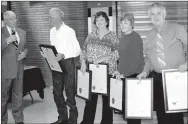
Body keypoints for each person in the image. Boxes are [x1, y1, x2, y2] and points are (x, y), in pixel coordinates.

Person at [137, 2, 187, 124]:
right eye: (153, 14)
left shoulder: (178, 29)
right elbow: (148, 57)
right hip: (157, 78)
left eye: (158, 13)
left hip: (175, 77)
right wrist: (145, 71)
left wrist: (186, 64)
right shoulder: (149, 35)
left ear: (164, 14)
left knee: (175, 114)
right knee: (161, 113)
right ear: (150, 17)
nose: (156, 17)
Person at [42, 7, 81, 124]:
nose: (50, 20)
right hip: (55, 64)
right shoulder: (52, 31)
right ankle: (63, 117)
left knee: (70, 93)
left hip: (68, 63)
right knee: (57, 93)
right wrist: (45, 53)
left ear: (59, 17)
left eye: (52, 17)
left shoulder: (69, 31)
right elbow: (52, 48)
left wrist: (63, 55)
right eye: (49, 17)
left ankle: (73, 120)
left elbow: (77, 50)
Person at [80, 11, 119, 124]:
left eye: (102, 19)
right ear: (95, 23)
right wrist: (83, 62)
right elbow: (83, 50)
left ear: (107, 21)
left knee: (107, 102)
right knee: (90, 100)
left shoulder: (112, 36)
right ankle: (87, 121)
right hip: (93, 73)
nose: (100, 22)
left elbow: (117, 53)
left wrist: (102, 59)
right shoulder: (91, 35)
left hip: (108, 72)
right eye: (97, 20)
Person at [114, 13, 144, 124]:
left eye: (125, 22)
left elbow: (136, 60)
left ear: (132, 24)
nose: (122, 25)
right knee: (128, 109)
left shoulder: (135, 38)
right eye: (121, 22)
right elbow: (122, 58)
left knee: (133, 110)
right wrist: (118, 70)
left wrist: (124, 74)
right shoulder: (123, 38)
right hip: (125, 75)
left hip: (134, 76)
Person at [1, 11, 28, 124]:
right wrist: (7, 41)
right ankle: (2, 120)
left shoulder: (22, 32)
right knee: (3, 97)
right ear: (6, 21)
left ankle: (19, 120)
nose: (15, 20)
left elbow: (26, 47)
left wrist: (25, 53)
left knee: (18, 96)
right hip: (4, 70)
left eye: (15, 18)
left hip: (19, 69)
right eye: (12, 19)